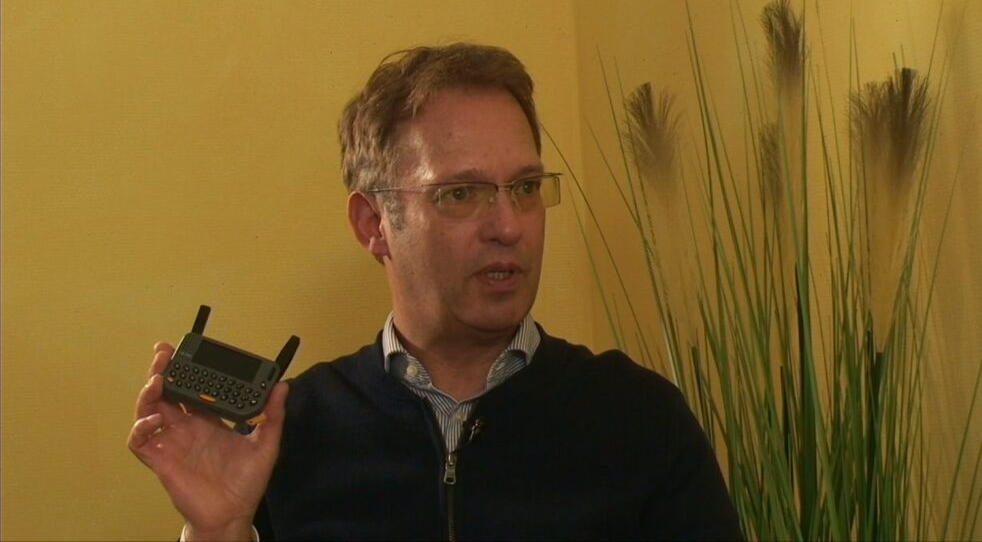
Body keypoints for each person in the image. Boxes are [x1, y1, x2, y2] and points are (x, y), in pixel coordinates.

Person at [128, 43, 743, 541]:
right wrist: (219, 531)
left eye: (526, 187)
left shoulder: (639, 419)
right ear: (374, 225)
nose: (509, 226)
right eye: (460, 194)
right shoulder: (291, 433)